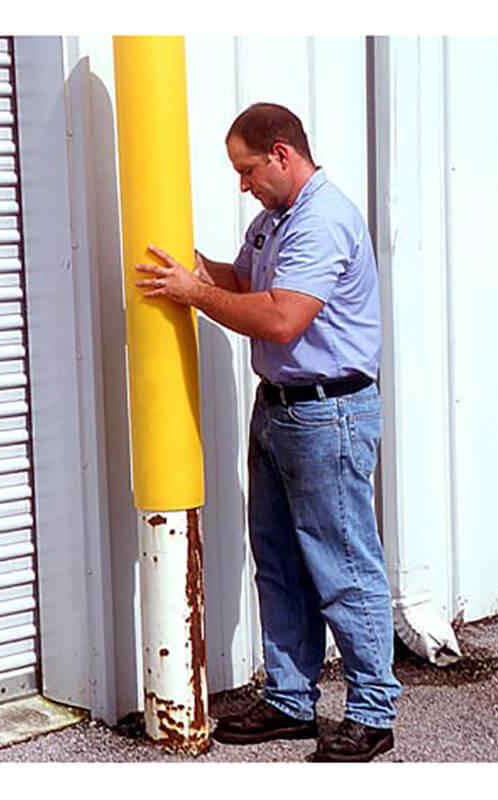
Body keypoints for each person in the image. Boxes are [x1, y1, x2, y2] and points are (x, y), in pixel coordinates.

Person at [135, 102, 402, 763]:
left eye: (247, 169)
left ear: (282, 154)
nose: (243, 184)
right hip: (281, 409)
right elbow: (243, 281)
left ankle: (372, 711)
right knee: (279, 563)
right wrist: (185, 263)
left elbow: (281, 318)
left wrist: (192, 295)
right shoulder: (273, 223)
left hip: (326, 413)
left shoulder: (322, 221)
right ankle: (289, 699)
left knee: (342, 568)